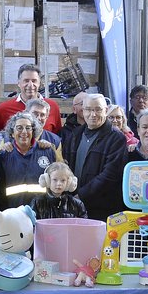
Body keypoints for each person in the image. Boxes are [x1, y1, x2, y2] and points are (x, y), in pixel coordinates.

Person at [61, 93, 128, 221]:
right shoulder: (75, 135)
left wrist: (81, 195)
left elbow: (110, 175)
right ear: (82, 111)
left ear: (106, 110)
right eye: (88, 109)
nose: (93, 114)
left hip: (103, 209)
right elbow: (65, 166)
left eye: (98, 109)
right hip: (74, 206)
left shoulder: (116, 138)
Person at [0, 112, 57, 210]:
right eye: (19, 128)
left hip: (42, 211)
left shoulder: (47, 152)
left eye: (28, 128)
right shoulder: (4, 155)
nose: (24, 132)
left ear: (33, 131)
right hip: (13, 212)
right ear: (12, 132)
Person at [0, 63, 63, 134]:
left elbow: (57, 136)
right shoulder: (3, 109)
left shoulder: (52, 106)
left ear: (39, 83)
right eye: (26, 81)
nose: (30, 85)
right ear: (19, 83)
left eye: (34, 81)